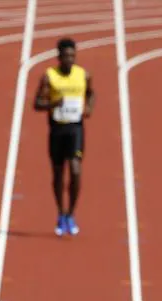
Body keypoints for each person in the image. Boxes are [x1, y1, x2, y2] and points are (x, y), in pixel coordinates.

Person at [33, 38, 94, 236]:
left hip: (75, 128)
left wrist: (89, 107)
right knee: (58, 173)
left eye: (73, 56)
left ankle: (71, 214)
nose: (70, 59)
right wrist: (53, 104)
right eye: (66, 56)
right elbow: (36, 104)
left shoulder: (83, 75)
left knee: (75, 170)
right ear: (59, 57)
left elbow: (92, 94)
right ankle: (60, 212)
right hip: (57, 130)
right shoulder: (49, 77)